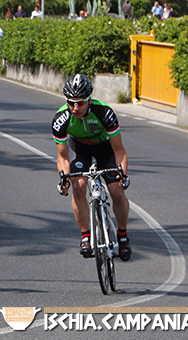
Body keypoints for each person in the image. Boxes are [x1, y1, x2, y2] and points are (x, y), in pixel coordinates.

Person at [53, 74, 131, 261]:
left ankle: (122, 235)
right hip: (79, 148)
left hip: (105, 148)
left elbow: (119, 151)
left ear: (89, 100)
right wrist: (63, 178)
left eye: (80, 103)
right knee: (78, 186)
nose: (75, 108)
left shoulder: (105, 113)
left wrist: (123, 174)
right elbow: (63, 157)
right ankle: (86, 236)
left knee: (117, 192)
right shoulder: (61, 118)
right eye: (71, 103)